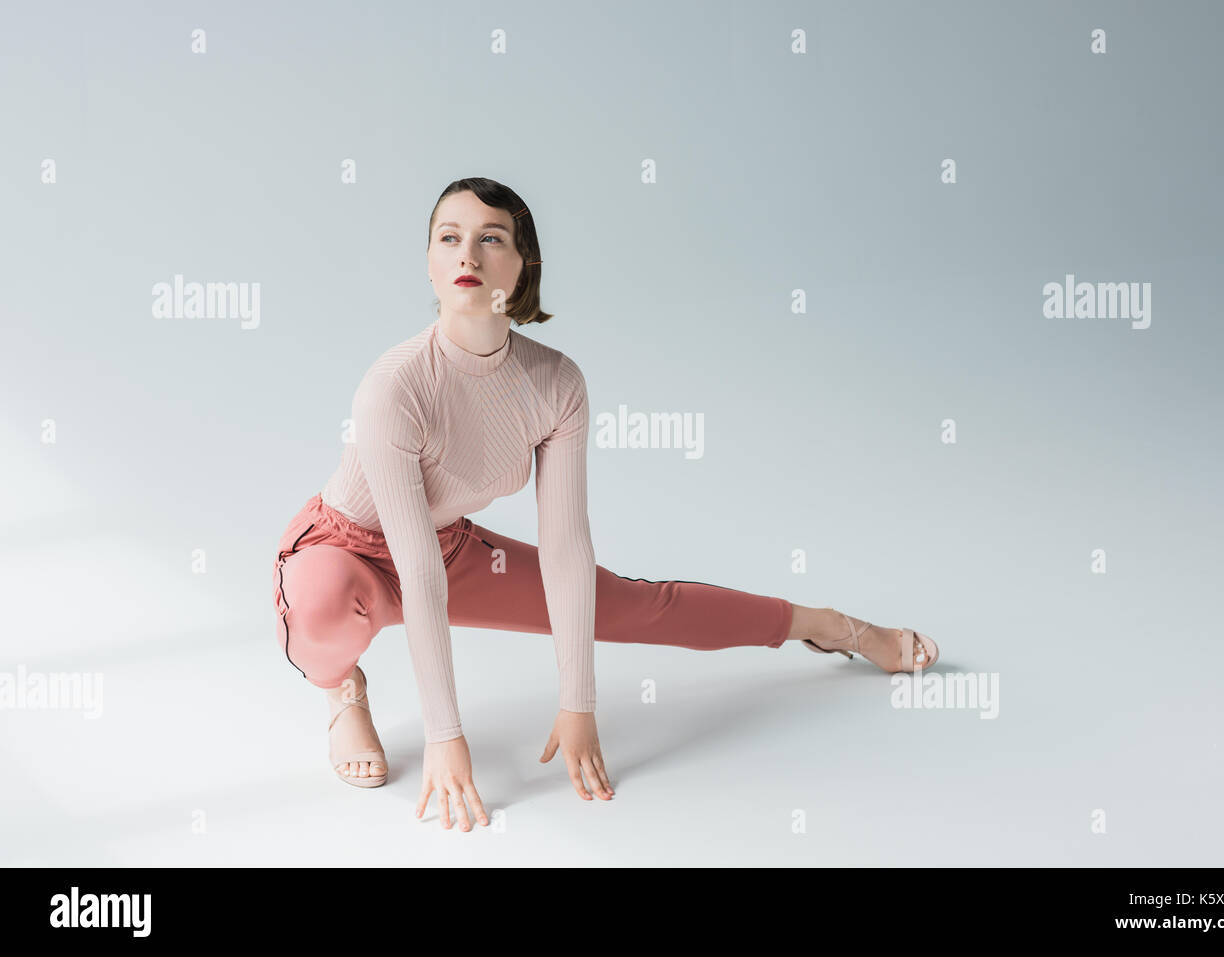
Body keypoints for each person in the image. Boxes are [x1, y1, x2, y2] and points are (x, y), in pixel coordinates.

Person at [270, 177, 940, 831]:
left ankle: (830, 625)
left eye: (490, 238)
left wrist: (579, 702)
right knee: (326, 600)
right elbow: (413, 571)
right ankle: (341, 689)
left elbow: (566, 549)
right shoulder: (394, 386)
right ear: (430, 261)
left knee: (625, 602)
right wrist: (446, 735)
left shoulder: (555, 382)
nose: (467, 257)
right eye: (449, 238)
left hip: (450, 546)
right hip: (346, 548)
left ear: (524, 262)